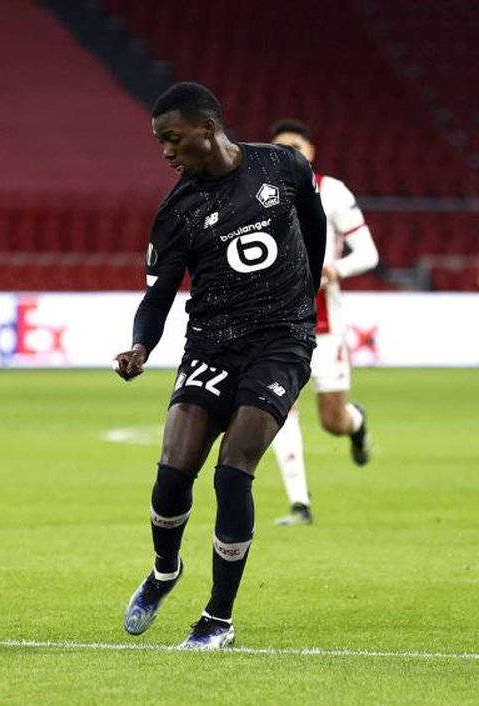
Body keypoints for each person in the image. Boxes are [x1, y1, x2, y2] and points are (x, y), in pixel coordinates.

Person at [113, 83, 326, 649]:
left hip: (280, 342)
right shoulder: (178, 210)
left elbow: (314, 217)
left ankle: (217, 620)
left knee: (234, 472)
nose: (164, 151)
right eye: (159, 141)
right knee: (172, 474)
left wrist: (306, 296)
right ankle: (164, 571)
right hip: (210, 343)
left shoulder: (281, 167)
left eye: (172, 138)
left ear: (207, 128)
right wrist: (141, 346)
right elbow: (157, 295)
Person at [268, 120, 378, 526]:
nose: (288, 153)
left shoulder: (332, 191)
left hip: (325, 326)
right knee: (281, 409)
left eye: (295, 146)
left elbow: (369, 255)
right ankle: (300, 504)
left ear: (310, 150)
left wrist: (334, 269)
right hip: (277, 325)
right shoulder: (260, 196)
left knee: (333, 421)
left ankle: (356, 422)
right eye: (279, 147)